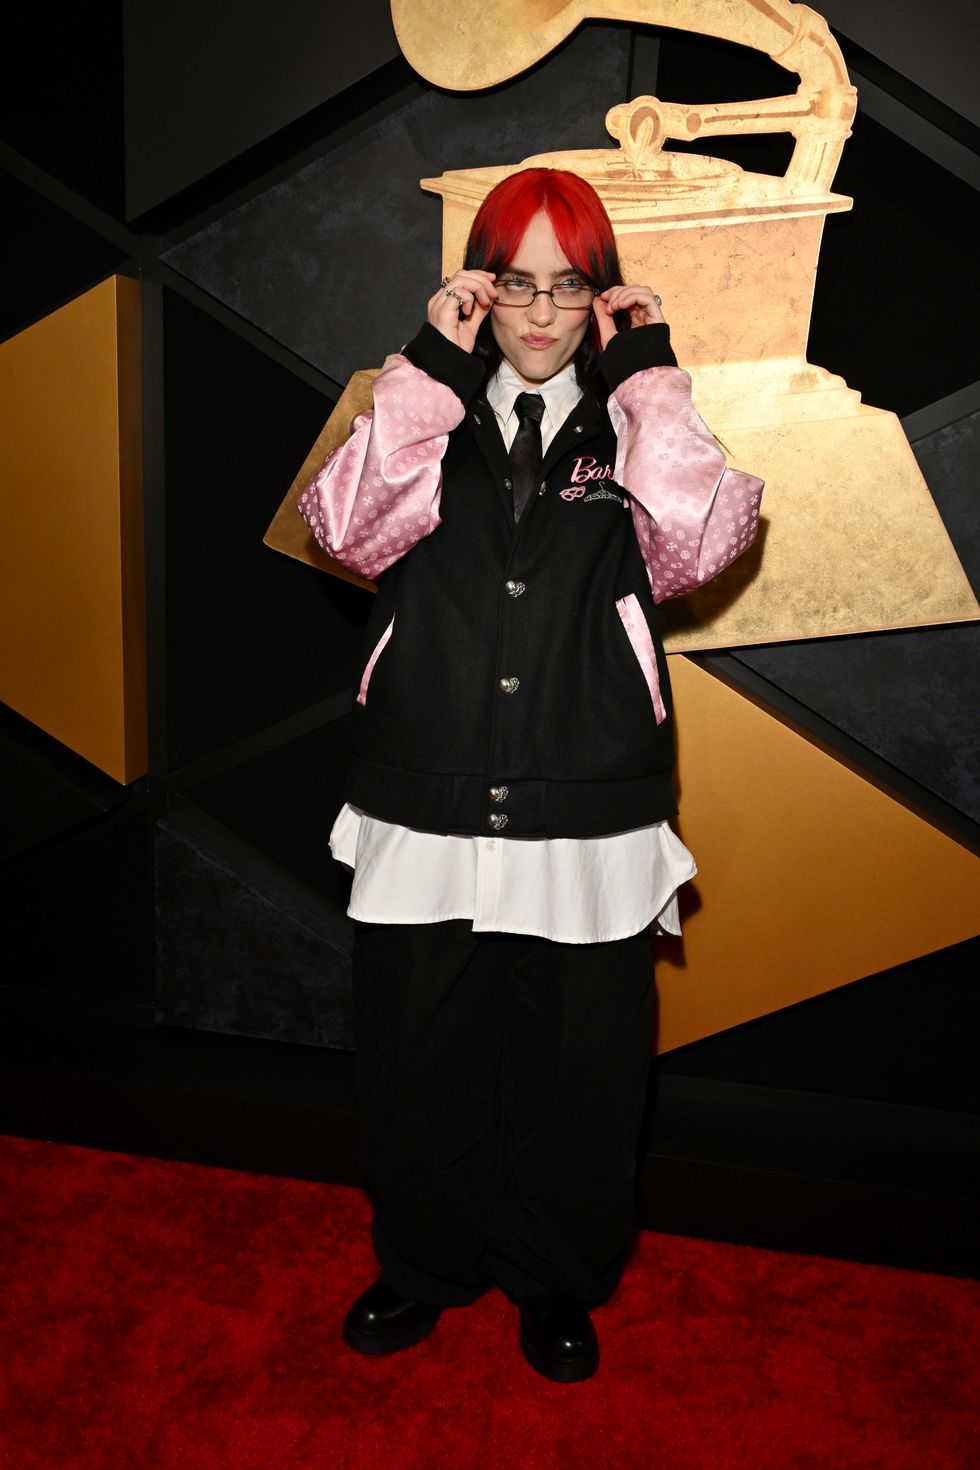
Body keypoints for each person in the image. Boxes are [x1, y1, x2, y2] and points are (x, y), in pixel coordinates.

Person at [296, 167, 763, 1382]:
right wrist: (425, 373)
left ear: (601, 295)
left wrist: (650, 373)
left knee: (580, 1079)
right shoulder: (421, 403)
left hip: (587, 801)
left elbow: (703, 547)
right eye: (518, 283)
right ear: (479, 288)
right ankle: (423, 1266)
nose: (543, 314)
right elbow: (342, 531)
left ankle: (554, 1277)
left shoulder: (637, 422)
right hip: (425, 792)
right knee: (415, 1060)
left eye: (570, 285)